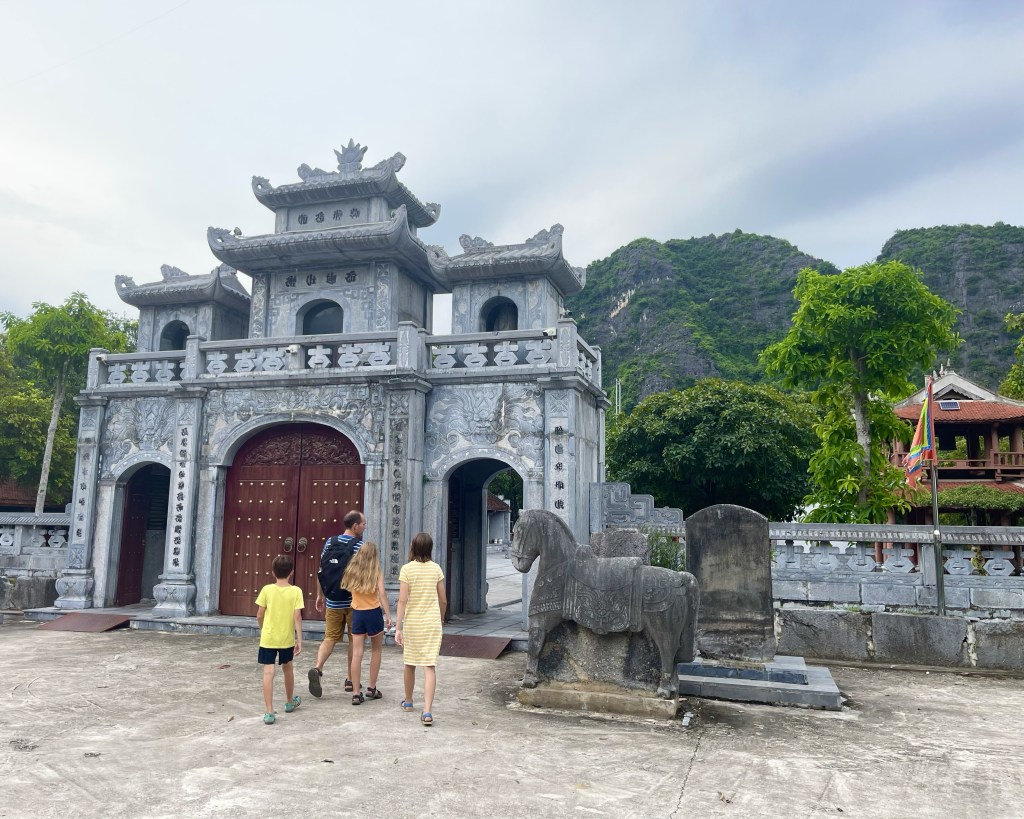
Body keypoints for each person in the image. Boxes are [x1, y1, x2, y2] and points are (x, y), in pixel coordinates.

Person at [309, 510, 365, 698]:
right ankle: (350, 679)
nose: (365, 527)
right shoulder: (360, 546)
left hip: (333, 600)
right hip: (353, 602)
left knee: (330, 638)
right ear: (355, 526)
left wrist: (320, 594)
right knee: (353, 639)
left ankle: (317, 668)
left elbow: (321, 570)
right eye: (363, 524)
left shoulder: (330, 542)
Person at [395, 532, 446, 726]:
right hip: (432, 623)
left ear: (413, 547)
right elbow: (443, 599)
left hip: (413, 623)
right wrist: (440, 618)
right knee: (429, 666)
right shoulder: (436, 569)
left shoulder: (407, 570)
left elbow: (402, 600)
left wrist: (398, 628)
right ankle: (427, 711)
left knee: (409, 662)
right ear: (430, 548)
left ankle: (408, 701)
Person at [255, 554, 304, 725]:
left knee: (268, 672)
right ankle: (289, 701)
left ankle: (269, 712)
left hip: (268, 638)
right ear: (291, 572)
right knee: (287, 668)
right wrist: (299, 639)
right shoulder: (296, 591)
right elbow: (297, 617)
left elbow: (259, 614)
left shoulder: (267, 590)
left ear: (272, 572)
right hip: (286, 638)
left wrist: (263, 629)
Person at [341, 541, 392, 705]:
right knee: (376, 650)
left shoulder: (352, 570)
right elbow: (382, 593)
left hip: (357, 613)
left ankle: (356, 693)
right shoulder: (376, 571)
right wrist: (389, 615)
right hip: (373, 612)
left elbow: (348, 588)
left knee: (357, 654)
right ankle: (371, 687)